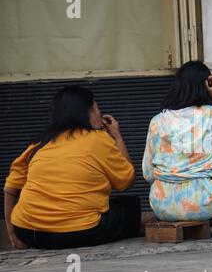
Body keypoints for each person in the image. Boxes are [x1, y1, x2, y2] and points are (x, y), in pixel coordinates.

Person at [3, 86, 145, 250]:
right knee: (129, 207)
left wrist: (12, 233)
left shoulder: (40, 144)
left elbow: (10, 188)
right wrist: (117, 136)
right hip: (79, 232)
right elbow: (125, 181)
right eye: (96, 108)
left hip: (28, 232)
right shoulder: (98, 139)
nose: (99, 113)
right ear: (88, 112)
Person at [142, 61, 212, 237]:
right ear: (207, 85)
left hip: (162, 207)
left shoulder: (157, 121)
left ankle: (192, 208)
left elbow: (148, 173)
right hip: (202, 205)